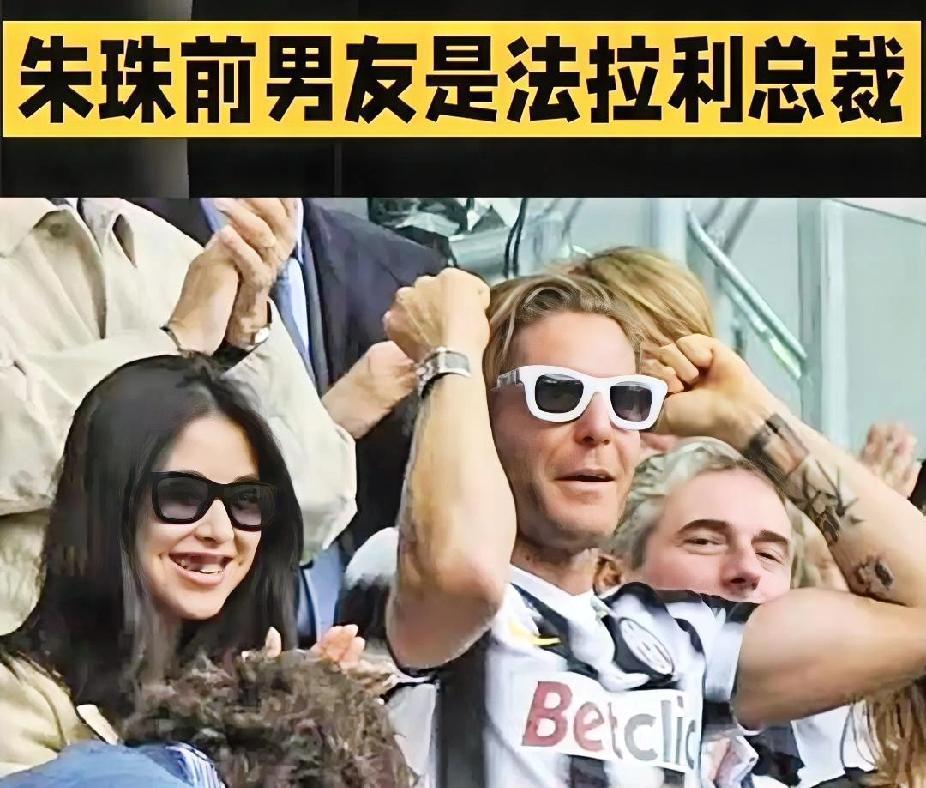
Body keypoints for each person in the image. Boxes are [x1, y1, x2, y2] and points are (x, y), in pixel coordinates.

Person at [377, 267, 926, 788]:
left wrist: (748, 417)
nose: (598, 428)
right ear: (483, 416)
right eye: (557, 394)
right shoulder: (399, 569)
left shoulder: (676, 638)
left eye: (626, 400)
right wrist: (450, 356)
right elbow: (462, 576)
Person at [0, 198, 355, 637]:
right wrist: (174, 343)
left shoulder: (170, 249)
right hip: (27, 665)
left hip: (186, 670)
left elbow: (317, 501)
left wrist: (245, 340)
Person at [0, 355, 361, 777]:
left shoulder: (259, 690)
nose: (220, 531)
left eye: (245, 501)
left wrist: (308, 731)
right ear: (109, 507)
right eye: (183, 497)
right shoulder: (19, 699)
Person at [133, 198, 446, 636]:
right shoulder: (117, 237)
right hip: (195, 644)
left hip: (369, 643)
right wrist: (332, 419)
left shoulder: (404, 270)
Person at [607, 437, 875, 787]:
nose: (748, 569)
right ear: (615, 574)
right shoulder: (567, 705)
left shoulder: (830, 739)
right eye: (705, 542)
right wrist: (744, 419)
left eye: (768, 554)